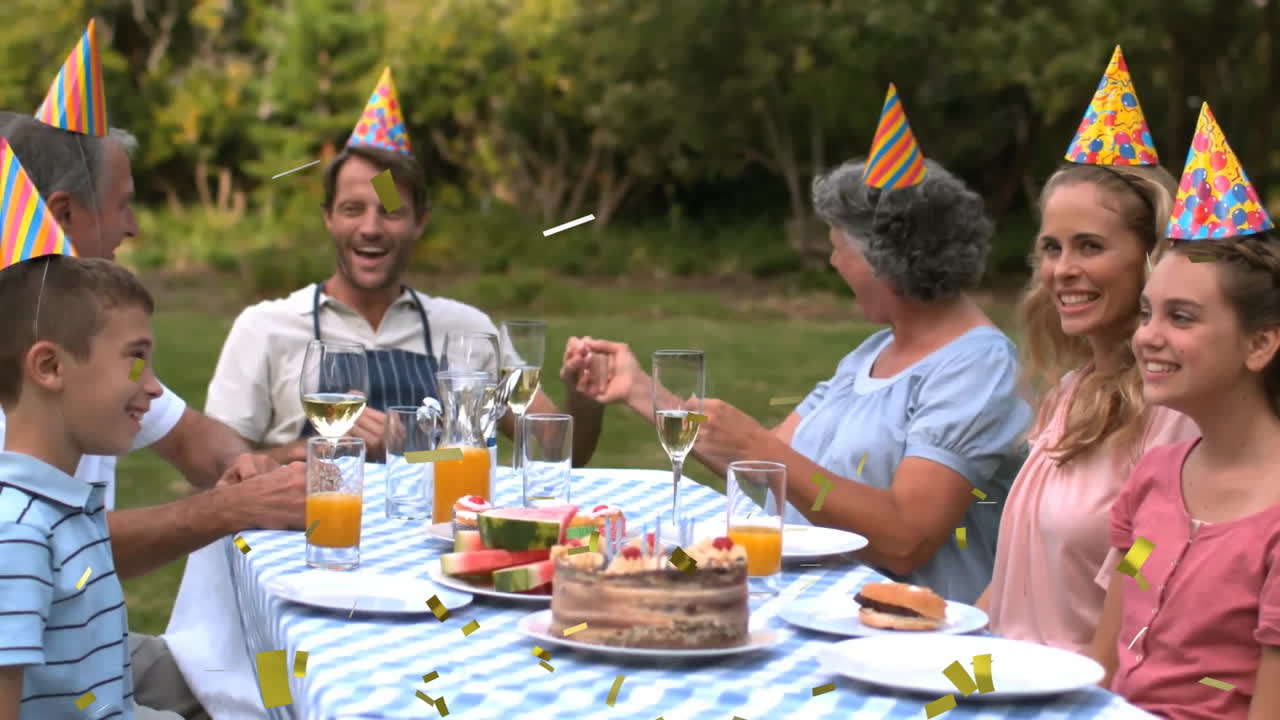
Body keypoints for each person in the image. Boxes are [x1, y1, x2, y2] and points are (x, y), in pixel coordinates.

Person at [576, 87, 1031, 603]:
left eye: (838, 247)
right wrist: (639, 389)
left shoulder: (979, 368)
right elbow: (773, 468)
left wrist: (758, 447)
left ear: (884, 259)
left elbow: (907, 537)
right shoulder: (873, 353)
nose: (833, 264)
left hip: (905, 638)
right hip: (811, 611)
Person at [0, 114, 301, 719]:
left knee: (278, 677)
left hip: (100, 682)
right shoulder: (18, 531)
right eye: (124, 205)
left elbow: (192, 435)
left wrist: (247, 468)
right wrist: (229, 508)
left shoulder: (76, 440)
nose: (133, 227)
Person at [204, 67, 604, 465]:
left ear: (420, 221)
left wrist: (584, 396)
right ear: (328, 217)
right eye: (352, 209)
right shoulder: (265, 329)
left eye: (390, 211)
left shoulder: (469, 332)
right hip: (305, 530)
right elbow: (214, 473)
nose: (371, 228)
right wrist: (309, 450)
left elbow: (558, 450)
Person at [977, 47, 1198, 654]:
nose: (1063, 271)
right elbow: (1014, 589)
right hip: (1005, 679)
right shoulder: (1068, 397)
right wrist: (942, 640)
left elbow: (1137, 594)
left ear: (1152, 258)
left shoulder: (1174, 415)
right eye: (1052, 248)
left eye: (1090, 247)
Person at [1088, 104, 1280, 720]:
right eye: (1147, 313)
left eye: (1183, 317)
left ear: (1260, 344)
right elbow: (1104, 668)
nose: (1146, 337)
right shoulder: (1154, 477)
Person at [0, 255, 168, 718]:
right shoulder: (17, 534)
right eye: (136, 360)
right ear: (50, 366)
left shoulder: (66, 510)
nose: (153, 386)